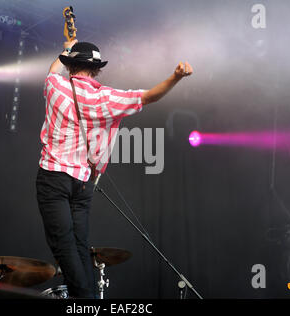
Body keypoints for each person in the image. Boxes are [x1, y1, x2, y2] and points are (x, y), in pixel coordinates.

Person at [36, 39, 193, 298]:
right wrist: (175, 77)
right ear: (96, 69)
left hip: (53, 178)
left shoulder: (55, 86)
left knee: (63, 245)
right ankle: (86, 300)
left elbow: (53, 70)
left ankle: (85, 301)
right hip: (84, 182)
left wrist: (66, 46)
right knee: (79, 244)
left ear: (70, 65)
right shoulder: (107, 98)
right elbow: (148, 96)